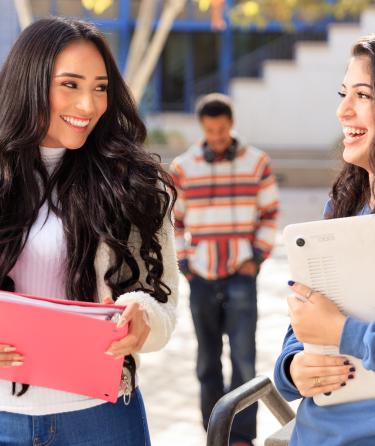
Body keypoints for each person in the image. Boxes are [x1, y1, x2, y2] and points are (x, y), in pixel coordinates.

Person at [0, 16, 179, 446]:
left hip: (100, 419)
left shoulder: (134, 183)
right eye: (71, 85)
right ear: (29, 82)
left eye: (100, 88)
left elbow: (164, 305)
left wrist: (141, 319)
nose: (88, 105)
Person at [274, 34, 375, 446]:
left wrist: (342, 331)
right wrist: (293, 368)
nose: (343, 110)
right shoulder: (344, 203)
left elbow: (331, 325)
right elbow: (303, 317)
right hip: (316, 433)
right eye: (343, 93)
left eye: (363, 95)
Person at [170, 93, 279, 446]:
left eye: (222, 129)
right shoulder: (184, 168)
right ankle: (215, 436)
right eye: (210, 130)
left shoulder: (257, 163)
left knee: (245, 361)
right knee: (207, 363)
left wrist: (256, 258)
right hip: (201, 277)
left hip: (240, 275)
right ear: (202, 127)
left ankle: (243, 438)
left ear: (231, 124)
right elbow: (176, 222)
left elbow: (269, 214)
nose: (217, 136)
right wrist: (185, 264)